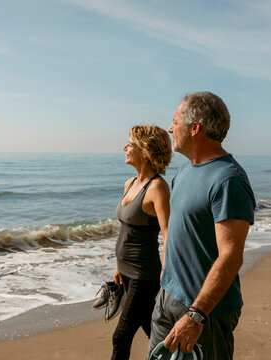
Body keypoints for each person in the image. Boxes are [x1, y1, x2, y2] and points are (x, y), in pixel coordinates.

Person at [148, 92, 256, 360]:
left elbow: (231, 256)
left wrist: (196, 315)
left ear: (195, 128)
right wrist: (165, 279)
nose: (170, 128)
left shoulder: (228, 180)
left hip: (204, 311)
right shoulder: (184, 170)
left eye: (175, 122)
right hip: (168, 298)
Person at [111, 125, 172, 360]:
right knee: (153, 330)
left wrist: (167, 272)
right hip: (126, 272)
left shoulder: (157, 188)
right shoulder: (129, 183)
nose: (125, 148)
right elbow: (126, 232)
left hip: (143, 277)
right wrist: (118, 265)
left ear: (145, 150)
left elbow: (168, 234)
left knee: (120, 337)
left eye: (130, 144)